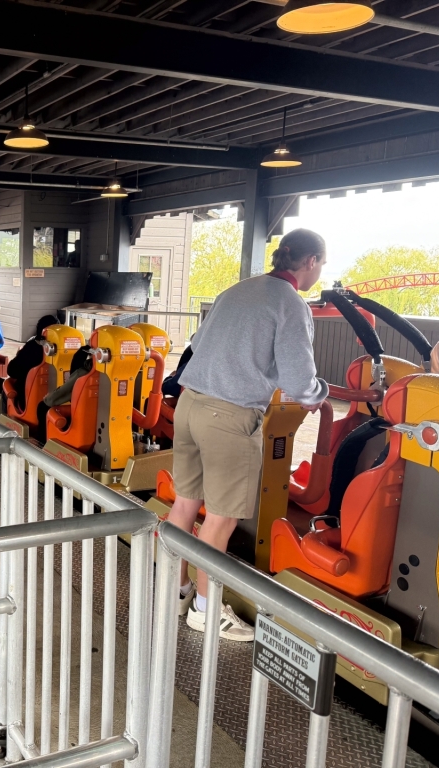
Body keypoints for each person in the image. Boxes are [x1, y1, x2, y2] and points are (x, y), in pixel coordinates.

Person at [169, 228, 329, 643]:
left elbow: (197, 342)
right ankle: (207, 611)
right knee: (219, 520)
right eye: (321, 265)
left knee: (185, 505)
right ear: (310, 262)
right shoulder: (291, 304)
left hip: (189, 404)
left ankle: (175, 590)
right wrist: (318, 395)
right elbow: (298, 378)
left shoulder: (238, 290)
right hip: (230, 416)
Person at [33, 344, 93, 443]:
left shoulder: (82, 374)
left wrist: (47, 399)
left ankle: (42, 442)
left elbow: (59, 395)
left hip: (81, 418)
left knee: (42, 407)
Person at [6, 315, 58, 410]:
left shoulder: (32, 348)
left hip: (28, 402)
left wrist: (20, 355)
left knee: (7, 384)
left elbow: (11, 370)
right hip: (57, 403)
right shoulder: (67, 354)